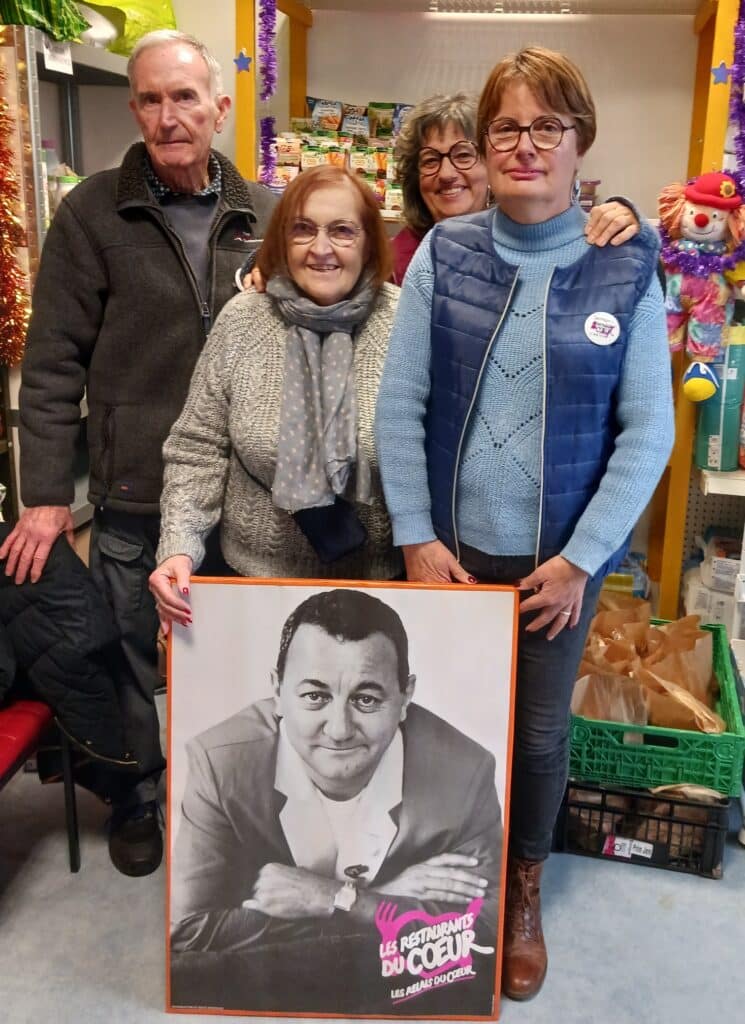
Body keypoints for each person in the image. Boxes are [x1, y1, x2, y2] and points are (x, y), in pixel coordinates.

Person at [374, 46, 675, 1002]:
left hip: (557, 573)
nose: (524, 145)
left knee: (539, 736)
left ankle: (522, 890)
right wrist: (417, 537)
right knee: (436, 724)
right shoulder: (443, 254)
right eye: (506, 125)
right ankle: (433, 887)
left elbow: (647, 435)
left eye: (548, 125)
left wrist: (584, 561)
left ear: (580, 142)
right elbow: (400, 404)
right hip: (446, 557)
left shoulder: (624, 267)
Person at [0, 30, 277, 877]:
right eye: (151, 100)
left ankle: (233, 801)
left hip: (246, 493)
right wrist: (46, 493)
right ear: (135, 109)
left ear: (218, 106)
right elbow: (50, 366)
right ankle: (136, 793)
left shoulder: (266, 214)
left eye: (185, 97)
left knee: (236, 650)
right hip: (133, 487)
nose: (169, 116)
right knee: (124, 648)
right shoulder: (91, 213)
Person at [170, 588, 502, 1014]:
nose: (340, 729)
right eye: (315, 696)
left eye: (366, 699)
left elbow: (485, 936)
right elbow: (186, 934)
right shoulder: (220, 762)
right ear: (277, 690)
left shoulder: (465, 773)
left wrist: (342, 898)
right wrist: (378, 899)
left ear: (405, 698)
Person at [149, 165, 403, 630]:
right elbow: (198, 448)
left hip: (380, 587)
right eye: (302, 229)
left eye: (342, 231)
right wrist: (180, 545)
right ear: (282, 240)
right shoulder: (244, 320)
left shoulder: (402, 323)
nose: (321, 248)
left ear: (369, 241)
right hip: (251, 583)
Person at [391, 91, 642, 284]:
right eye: (430, 160)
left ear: (491, 160)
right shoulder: (391, 264)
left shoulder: (525, 240)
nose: (446, 174)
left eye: (464, 155)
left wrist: (626, 220)